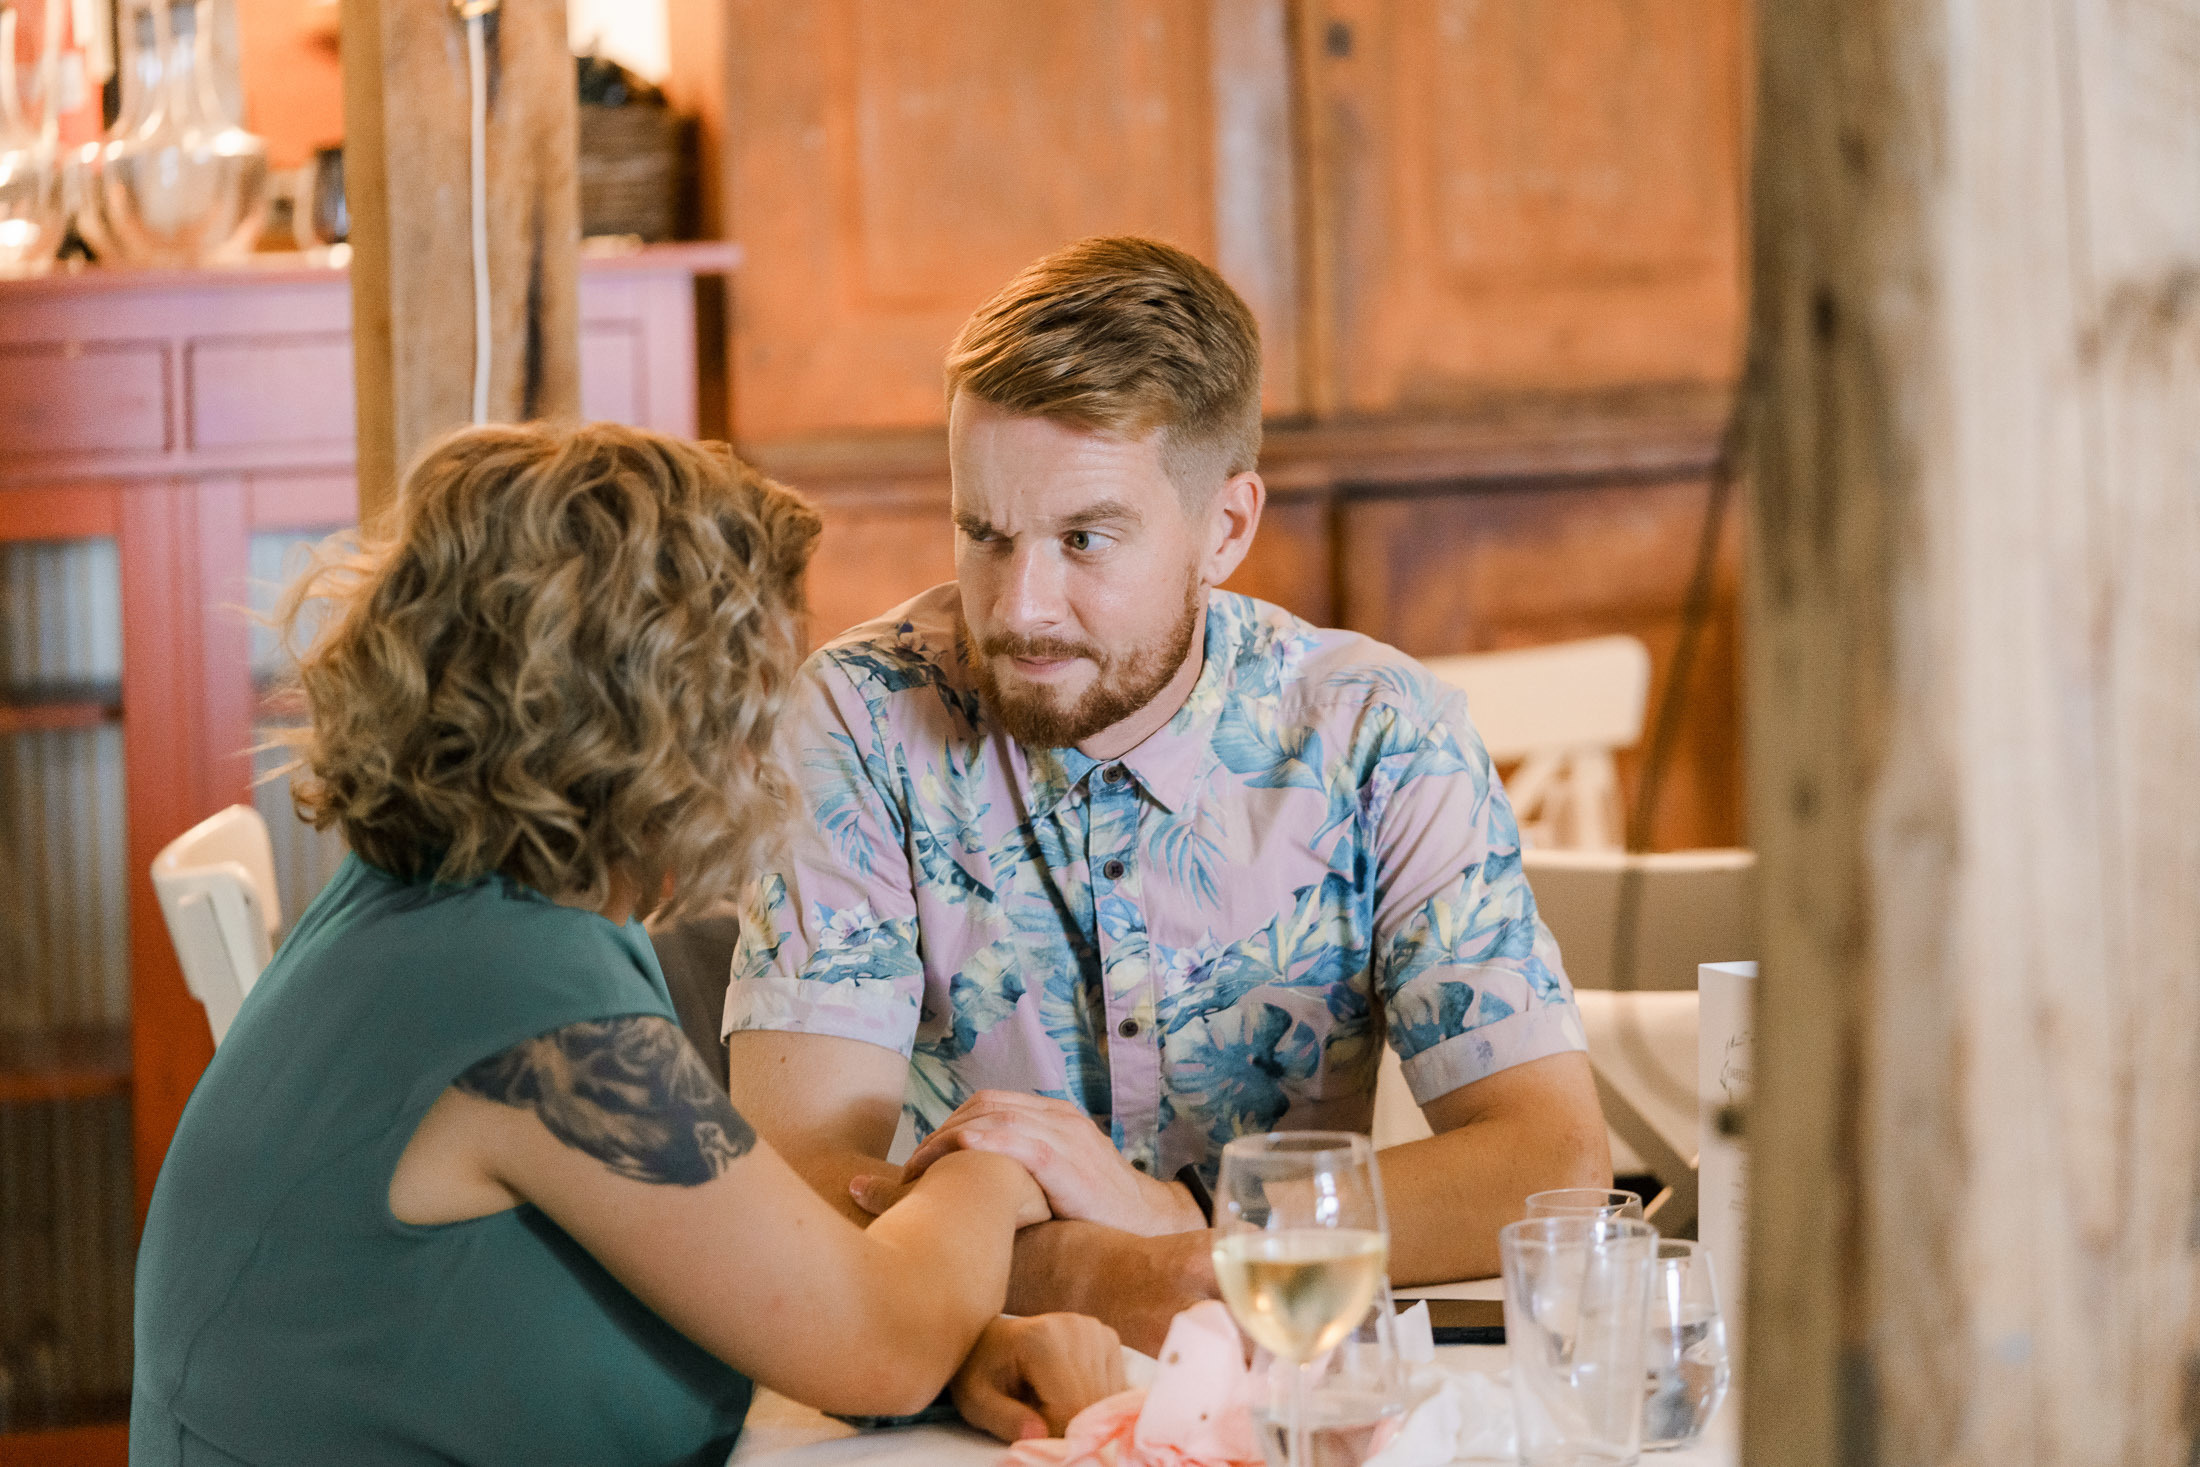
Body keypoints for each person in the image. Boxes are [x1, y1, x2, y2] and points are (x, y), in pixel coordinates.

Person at [132, 423, 1124, 1467]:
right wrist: (1001, 1160)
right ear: (665, 713)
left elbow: (770, 1278)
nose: (775, 743)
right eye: (759, 689)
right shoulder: (519, 995)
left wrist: (955, 1338)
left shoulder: (431, 907)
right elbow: (880, 1344)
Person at [718, 238, 1611, 1352]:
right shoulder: (859, 719)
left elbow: (1549, 1163)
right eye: (983, 535)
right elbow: (799, 1179)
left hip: (1281, 1383)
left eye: (1084, 539)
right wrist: (1097, 1273)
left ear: (1224, 529)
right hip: (946, 1391)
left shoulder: (1379, 733)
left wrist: (1185, 1229)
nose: (1020, 608)